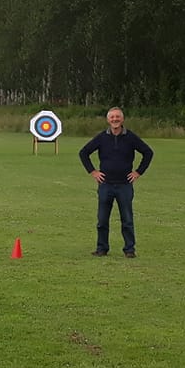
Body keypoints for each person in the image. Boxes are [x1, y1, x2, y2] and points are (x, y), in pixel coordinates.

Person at [78, 107, 154, 258]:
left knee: (127, 219)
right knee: (102, 220)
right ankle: (102, 248)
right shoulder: (101, 137)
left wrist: (138, 172)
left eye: (117, 117)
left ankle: (129, 249)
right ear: (108, 120)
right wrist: (93, 172)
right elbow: (84, 152)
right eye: (112, 117)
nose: (115, 119)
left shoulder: (131, 137)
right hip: (105, 184)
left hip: (124, 185)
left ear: (122, 119)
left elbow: (148, 152)